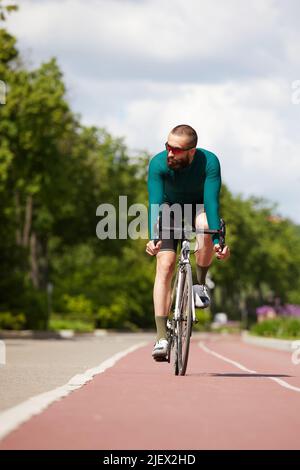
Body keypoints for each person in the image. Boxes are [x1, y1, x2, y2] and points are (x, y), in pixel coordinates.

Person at [146, 124, 230, 360]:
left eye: (176, 149)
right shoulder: (158, 163)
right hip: (168, 208)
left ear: (191, 151)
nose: (169, 153)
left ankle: (199, 285)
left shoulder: (209, 162)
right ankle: (162, 336)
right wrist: (154, 238)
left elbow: (212, 202)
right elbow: (154, 203)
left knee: (205, 225)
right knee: (165, 265)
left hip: (198, 207)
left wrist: (217, 240)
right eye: (167, 146)